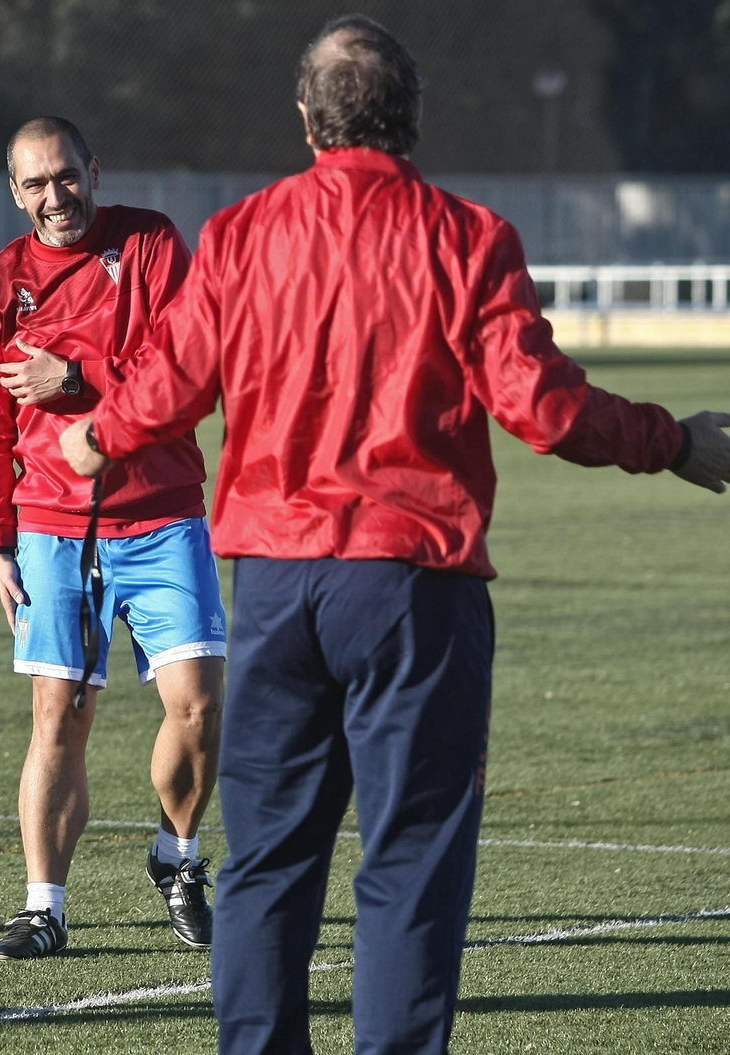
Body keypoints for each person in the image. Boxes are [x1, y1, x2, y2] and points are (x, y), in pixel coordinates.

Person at [61, 14, 730, 1054]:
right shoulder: (466, 236)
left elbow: (172, 376)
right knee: (410, 858)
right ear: (413, 115)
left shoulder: (242, 233)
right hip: (413, 585)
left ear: (304, 119)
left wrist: (96, 433)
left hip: (279, 582)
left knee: (270, 858)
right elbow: (542, 407)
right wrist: (672, 440)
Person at [0, 118, 225, 961]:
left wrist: (72, 379)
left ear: (93, 171)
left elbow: (183, 371)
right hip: (52, 530)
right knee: (59, 717)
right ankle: (44, 908)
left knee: (199, 702)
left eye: (66, 177)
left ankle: (178, 861)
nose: (55, 197)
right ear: (14, 192)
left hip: (161, 511)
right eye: (35, 184)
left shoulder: (149, 244)